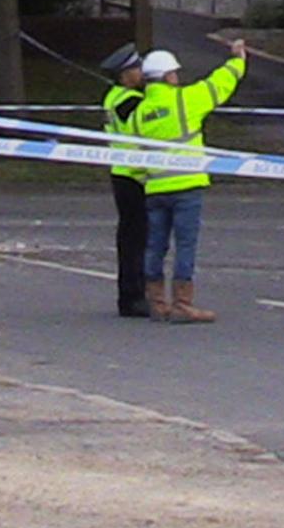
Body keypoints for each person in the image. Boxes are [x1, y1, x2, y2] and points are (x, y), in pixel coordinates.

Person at [131, 41, 248, 325]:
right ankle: (183, 304)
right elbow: (219, 84)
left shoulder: (138, 114)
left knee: (154, 246)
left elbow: (133, 160)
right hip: (186, 188)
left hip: (155, 189)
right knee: (185, 245)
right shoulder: (186, 101)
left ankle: (157, 304)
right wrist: (238, 60)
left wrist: (147, 179)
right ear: (169, 76)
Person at [98, 44, 151, 318]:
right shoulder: (127, 101)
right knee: (134, 240)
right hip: (132, 177)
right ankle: (133, 297)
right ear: (124, 74)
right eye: (136, 69)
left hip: (124, 174)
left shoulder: (116, 96)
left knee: (132, 237)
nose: (141, 73)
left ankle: (132, 295)